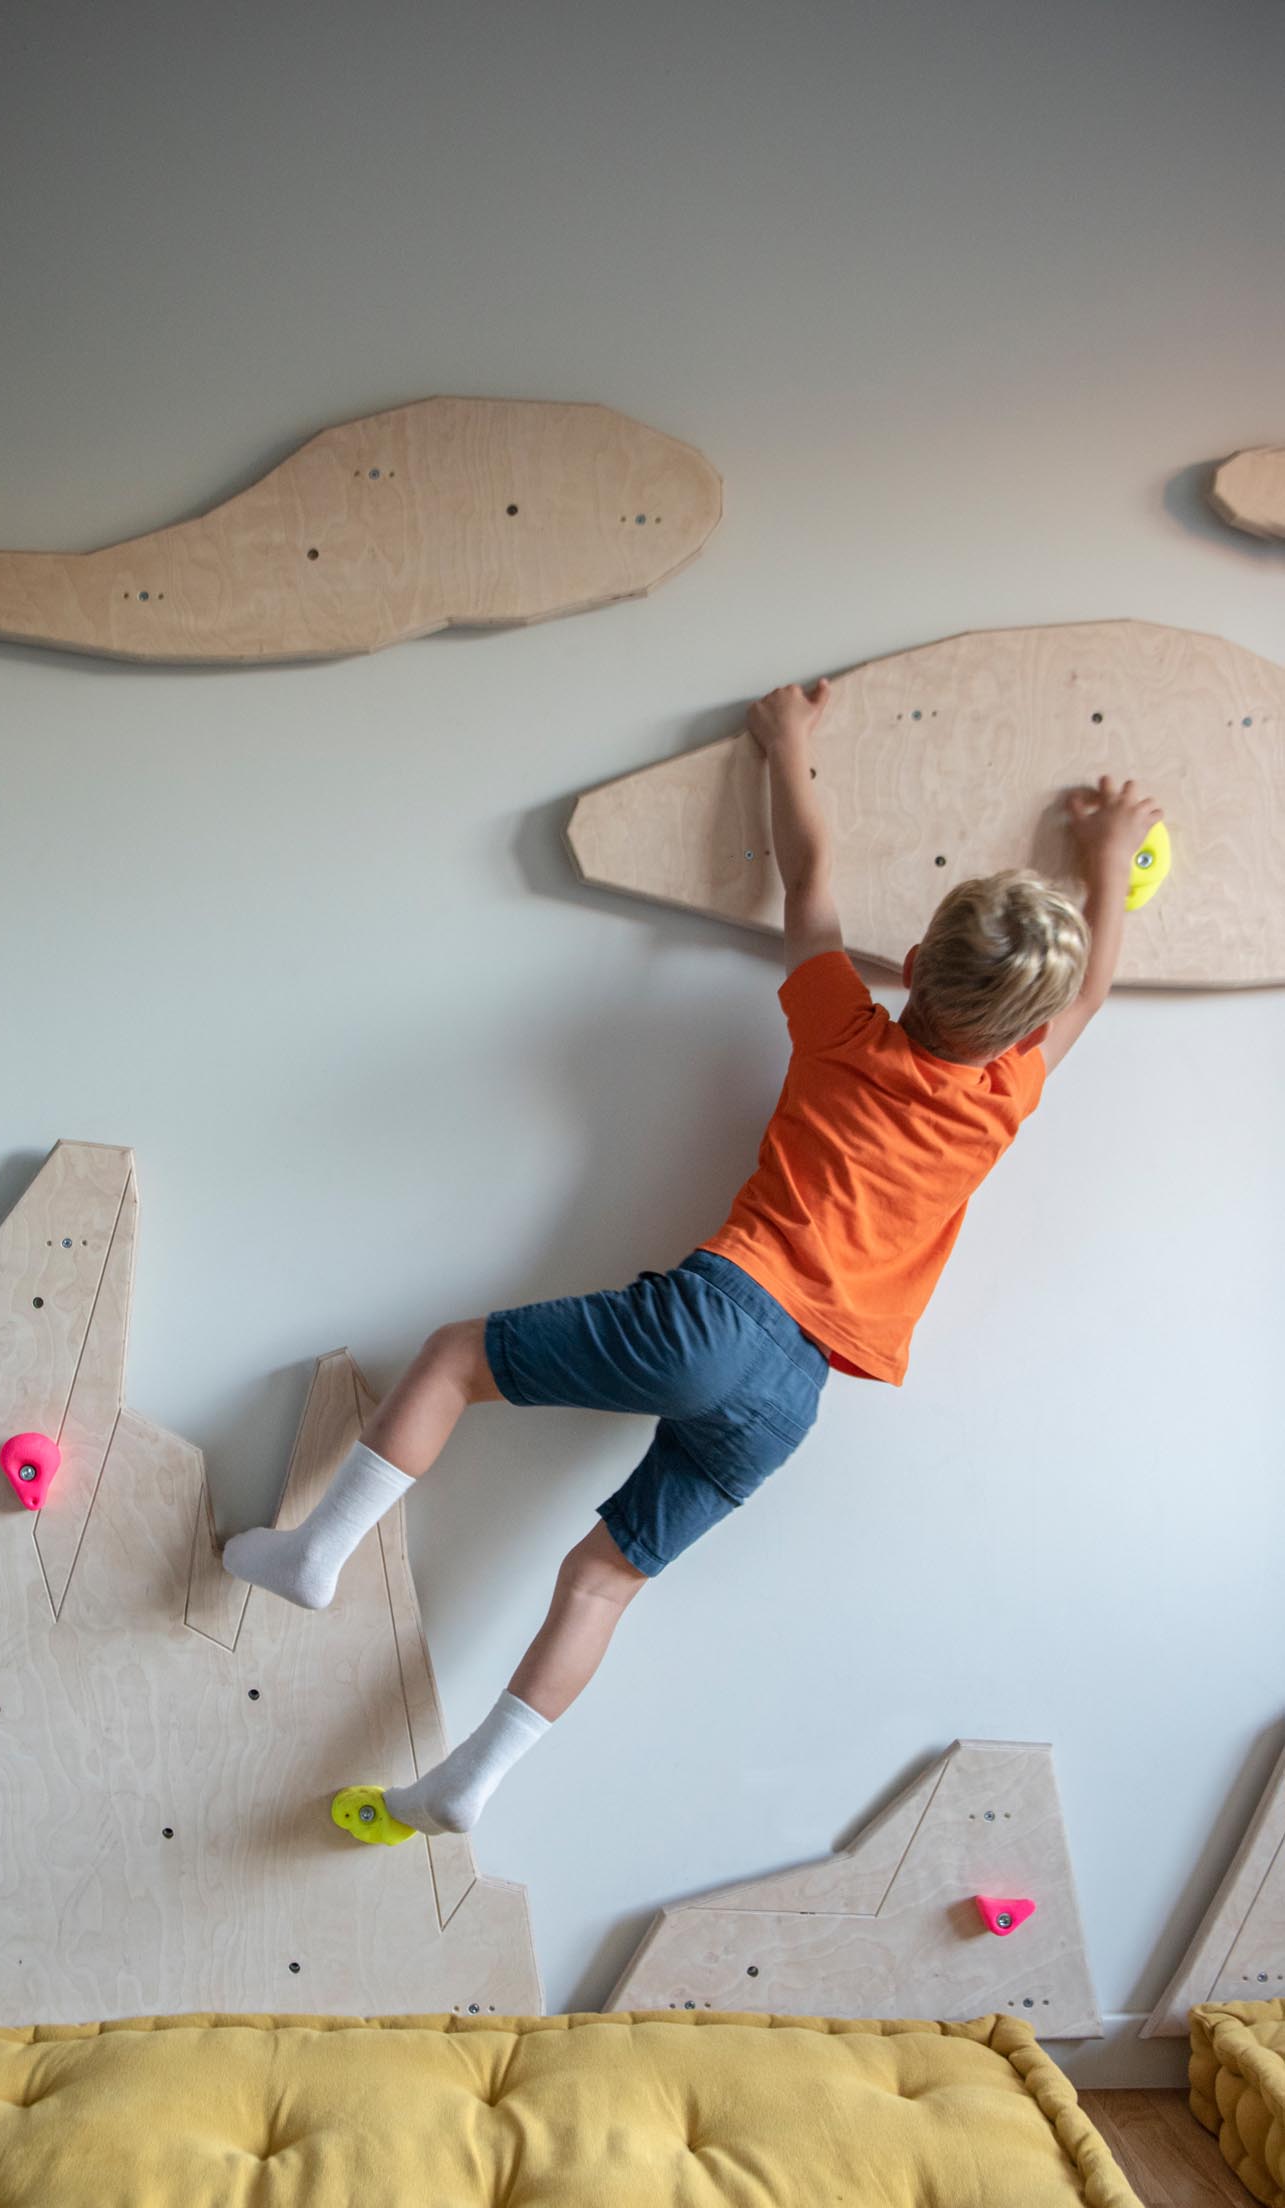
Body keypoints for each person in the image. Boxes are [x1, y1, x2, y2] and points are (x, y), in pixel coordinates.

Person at [221, 678, 1162, 1843]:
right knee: (602, 1578)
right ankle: (471, 1781)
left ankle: (316, 1553)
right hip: (793, 1397)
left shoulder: (838, 1026)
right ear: (1024, 1036)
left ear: (910, 962)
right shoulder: (1006, 1097)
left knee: (456, 1357)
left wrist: (786, 743)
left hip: (721, 1315)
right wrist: (1106, 859)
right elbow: (1097, 988)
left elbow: (807, 876)